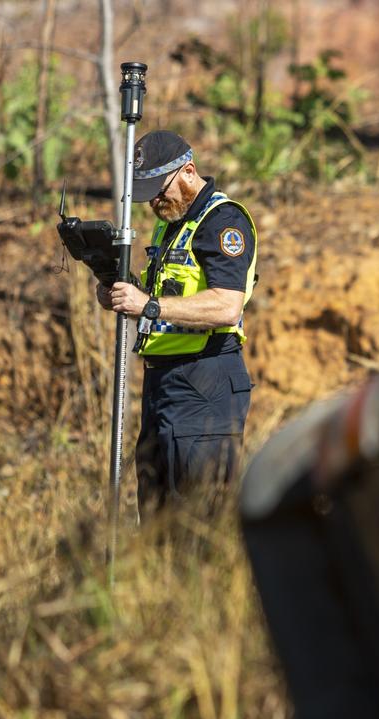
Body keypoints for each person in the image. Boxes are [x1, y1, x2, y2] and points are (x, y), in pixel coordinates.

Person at [95, 130, 258, 516]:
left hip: (205, 385)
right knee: (155, 515)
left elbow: (226, 306)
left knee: (196, 520)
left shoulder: (223, 221)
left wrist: (149, 306)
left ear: (188, 171)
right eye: (147, 192)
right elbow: (168, 292)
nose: (153, 200)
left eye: (159, 188)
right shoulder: (171, 222)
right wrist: (123, 293)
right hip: (164, 386)